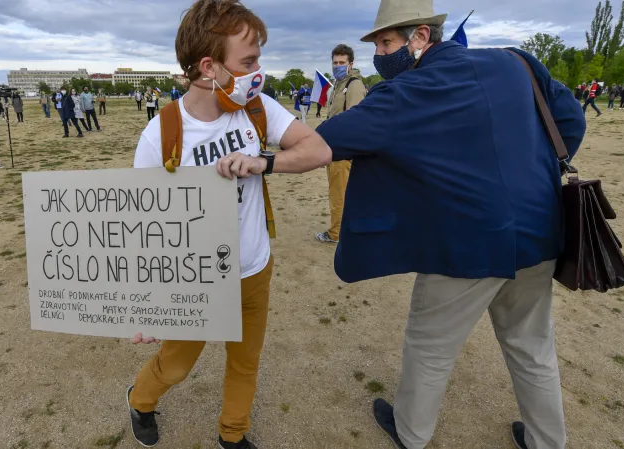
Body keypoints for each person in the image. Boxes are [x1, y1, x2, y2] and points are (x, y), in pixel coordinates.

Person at [314, 1, 587, 448]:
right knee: (533, 346)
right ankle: (546, 441)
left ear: (421, 36)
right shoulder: (515, 62)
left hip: (465, 242)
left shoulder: (408, 90)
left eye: (385, 42)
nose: (379, 54)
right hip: (539, 229)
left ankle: (411, 433)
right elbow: (570, 121)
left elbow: (329, 139)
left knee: (430, 345)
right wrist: (537, 173)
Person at [127, 1, 331, 448]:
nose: (258, 72)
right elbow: (142, 230)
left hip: (254, 269)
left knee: (245, 362)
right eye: (249, 61)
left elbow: (319, 151)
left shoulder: (256, 108)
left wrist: (264, 162)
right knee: (175, 366)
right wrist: (146, 305)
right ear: (209, 68)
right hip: (195, 284)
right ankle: (140, 400)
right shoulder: (161, 133)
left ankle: (232, 434)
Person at [315, 43, 366, 245]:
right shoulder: (338, 84)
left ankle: (336, 233)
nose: (337, 66)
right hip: (334, 149)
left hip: (343, 150)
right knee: (340, 192)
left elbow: (355, 119)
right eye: (335, 62)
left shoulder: (353, 85)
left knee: (339, 194)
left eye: (341, 62)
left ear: (350, 64)